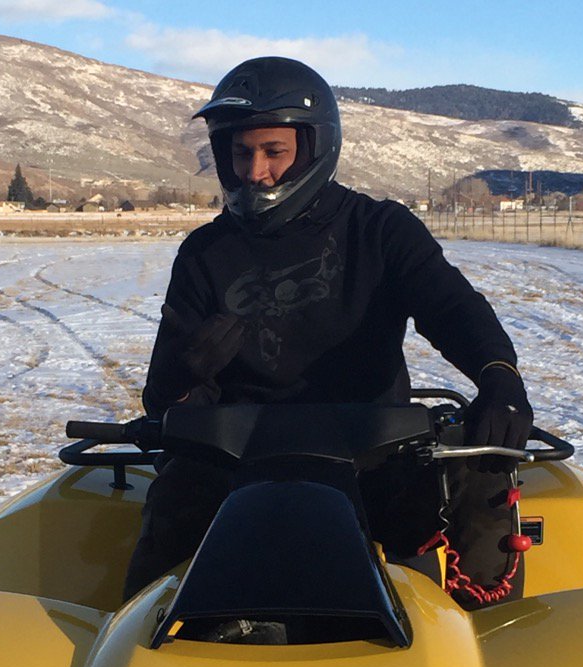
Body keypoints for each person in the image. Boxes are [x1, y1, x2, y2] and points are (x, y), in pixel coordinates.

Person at [124, 56, 533, 607]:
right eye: (240, 153)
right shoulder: (204, 253)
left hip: (375, 456)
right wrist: (179, 375)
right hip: (238, 461)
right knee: (156, 576)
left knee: (467, 500)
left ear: (316, 147)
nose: (254, 172)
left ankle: (486, 643)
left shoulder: (380, 229)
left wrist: (499, 376)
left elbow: (452, 307)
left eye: (273, 152)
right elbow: (164, 403)